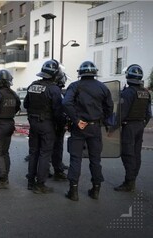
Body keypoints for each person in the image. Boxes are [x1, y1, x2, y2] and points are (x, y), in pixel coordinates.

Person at [62, 61, 114, 201]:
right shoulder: (102, 87)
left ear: (80, 73)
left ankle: (73, 192)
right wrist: (103, 121)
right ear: (94, 73)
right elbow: (109, 107)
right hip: (95, 127)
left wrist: (77, 120)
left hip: (79, 128)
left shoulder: (75, 86)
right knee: (95, 160)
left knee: (75, 159)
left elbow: (66, 103)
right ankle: (96, 190)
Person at [24, 59, 65, 194]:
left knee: (34, 152)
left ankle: (30, 182)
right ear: (54, 74)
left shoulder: (32, 86)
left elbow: (26, 105)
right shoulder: (54, 89)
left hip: (33, 124)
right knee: (45, 154)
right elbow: (58, 111)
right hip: (47, 124)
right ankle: (40, 184)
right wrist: (60, 126)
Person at [114, 64, 152, 192]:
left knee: (128, 154)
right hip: (140, 126)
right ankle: (132, 179)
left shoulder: (127, 92)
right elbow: (149, 114)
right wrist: (142, 124)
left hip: (129, 127)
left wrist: (113, 127)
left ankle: (129, 182)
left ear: (128, 76)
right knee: (136, 154)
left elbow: (122, 114)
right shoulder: (146, 93)